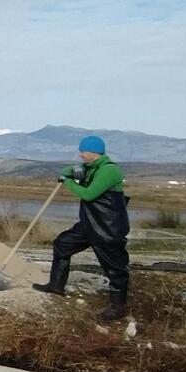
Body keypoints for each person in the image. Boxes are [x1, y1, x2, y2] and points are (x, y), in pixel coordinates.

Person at [32, 135, 130, 321]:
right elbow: (65, 170)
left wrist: (68, 181)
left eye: (83, 151)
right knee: (62, 244)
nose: (80, 155)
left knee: (115, 268)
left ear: (94, 152)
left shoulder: (109, 170)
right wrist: (74, 170)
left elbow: (88, 194)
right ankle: (56, 286)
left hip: (108, 227)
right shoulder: (90, 168)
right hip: (89, 224)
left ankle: (118, 308)